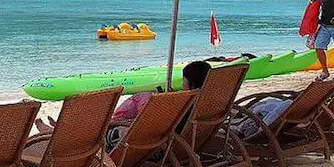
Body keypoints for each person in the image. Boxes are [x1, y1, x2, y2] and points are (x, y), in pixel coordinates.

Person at [32, 60, 211, 152]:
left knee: (97, 131)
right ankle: (61, 129)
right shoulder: (206, 101)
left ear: (191, 83)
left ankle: (56, 133)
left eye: (185, 81)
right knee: (103, 125)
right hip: (171, 140)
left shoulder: (185, 101)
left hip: (144, 144)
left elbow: (146, 126)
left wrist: (111, 123)